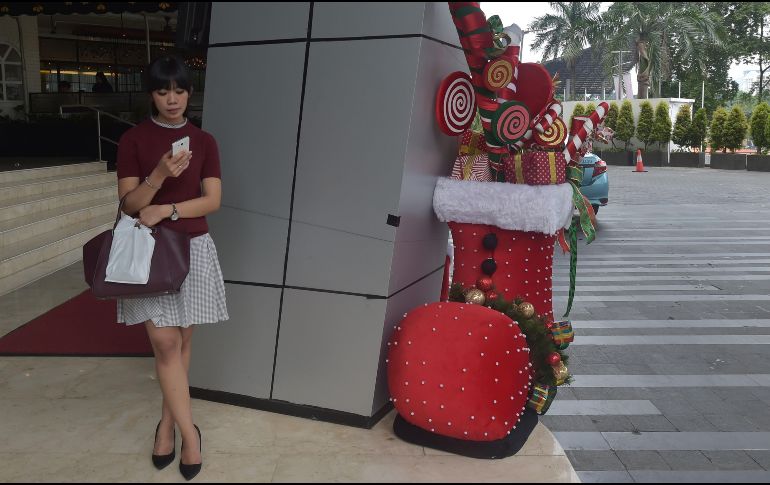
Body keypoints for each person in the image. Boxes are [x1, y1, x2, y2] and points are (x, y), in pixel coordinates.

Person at [115, 55, 228, 481]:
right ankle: (190, 435)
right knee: (165, 345)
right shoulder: (134, 141)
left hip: (194, 248)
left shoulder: (205, 141)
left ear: (189, 92)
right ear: (151, 95)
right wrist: (159, 174)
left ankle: (166, 425)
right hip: (149, 253)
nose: (172, 99)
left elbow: (212, 200)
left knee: (180, 344)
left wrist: (168, 209)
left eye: (179, 90)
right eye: (163, 91)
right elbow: (129, 206)